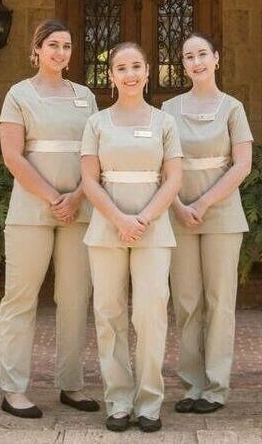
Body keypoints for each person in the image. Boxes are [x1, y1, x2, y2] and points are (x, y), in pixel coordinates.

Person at [0, 19, 100, 419]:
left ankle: (71, 383)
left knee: (74, 299)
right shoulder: (18, 94)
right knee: (20, 299)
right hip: (31, 210)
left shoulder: (85, 96)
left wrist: (76, 197)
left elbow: (96, 153)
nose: (60, 52)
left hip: (79, 209)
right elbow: (12, 156)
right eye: (53, 44)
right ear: (37, 49)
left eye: (67, 46)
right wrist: (53, 197)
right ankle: (14, 389)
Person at [80, 41, 183, 433]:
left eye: (136, 66)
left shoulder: (165, 123)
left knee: (151, 314)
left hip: (152, 230)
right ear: (111, 75)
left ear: (147, 71)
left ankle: (149, 402)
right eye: (121, 68)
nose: (130, 74)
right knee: (108, 314)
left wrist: (142, 218)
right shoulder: (96, 123)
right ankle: (118, 401)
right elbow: (89, 180)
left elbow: (173, 179)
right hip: (106, 228)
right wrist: (119, 219)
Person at [163, 33, 253, 415]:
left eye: (202, 54)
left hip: (222, 215)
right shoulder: (168, 109)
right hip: (179, 213)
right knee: (186, 302)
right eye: (189, 57)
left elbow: (242, 165)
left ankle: (216, 387)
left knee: (220, 301)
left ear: (216, 58)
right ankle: (192, 385)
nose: (196, 62)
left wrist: (203, 202)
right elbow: (162, 163)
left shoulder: (233, 108)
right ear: (183, 64)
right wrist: (179, 205)